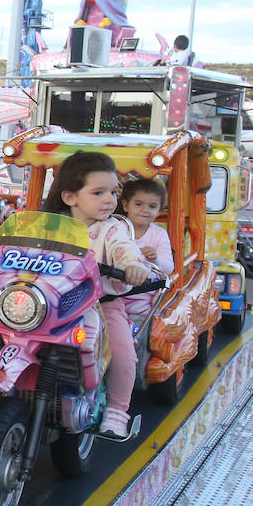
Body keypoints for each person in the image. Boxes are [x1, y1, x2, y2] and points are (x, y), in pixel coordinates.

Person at [42, 151, 149, 439]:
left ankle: (117, 410)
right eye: (99, 192)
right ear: (70, 197)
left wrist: (131, 265)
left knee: (123, 354)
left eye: (113, 192)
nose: (109, 200)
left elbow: (124, 248)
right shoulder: (50, 225)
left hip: (100, 305)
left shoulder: (112, 229)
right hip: (52, 303)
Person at [116, 177, 172, 323]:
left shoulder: (159, 234)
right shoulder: (116, 229)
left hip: (143, 299)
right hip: (114, 292)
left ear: (159, 210)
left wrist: (155, 259)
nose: (145, 210)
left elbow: (169, 268)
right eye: (139, 204)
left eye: (152, 206)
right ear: (126, 205)